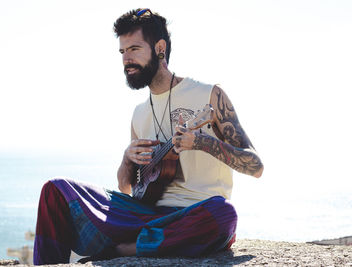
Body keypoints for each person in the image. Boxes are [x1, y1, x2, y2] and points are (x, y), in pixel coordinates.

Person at [33, 8, 263, 265]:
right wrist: (127, 161)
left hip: (194, 216)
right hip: (144, 216)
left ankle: (123, 250)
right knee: (55, 190)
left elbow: (256, 166)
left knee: (224, 214)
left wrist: (202, 142)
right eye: (122, 52)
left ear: (160, 48)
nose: (126, 60)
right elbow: (128, 188)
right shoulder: (139, 113)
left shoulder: (210, 95)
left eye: (134, 49)